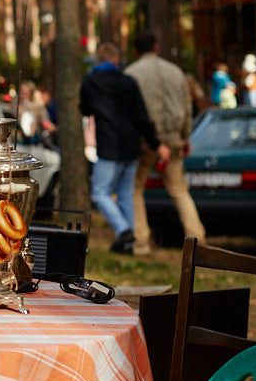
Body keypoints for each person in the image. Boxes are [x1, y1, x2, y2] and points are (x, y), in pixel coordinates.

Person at [79, 42, 169, 254]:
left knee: (100, 192)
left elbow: (84, 109)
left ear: (98, 60)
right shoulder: (128, 82)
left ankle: (124, 231)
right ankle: (131, 242)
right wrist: (155, 143)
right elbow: (142, 116)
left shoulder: (91, 82)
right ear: (117, 60)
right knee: (126, 193)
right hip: (131, 145)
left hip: (109, 145)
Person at [125, 32, 205, 256]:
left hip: (145, 141)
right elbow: (187, 105)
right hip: (173, 138)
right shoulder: (176, 72)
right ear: (157, 47)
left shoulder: (132, 73)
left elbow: (131, 110)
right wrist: (185, 136)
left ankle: (141, 241)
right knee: (179, 190)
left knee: (135, 189)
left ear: (136, 50)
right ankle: (197, 240)